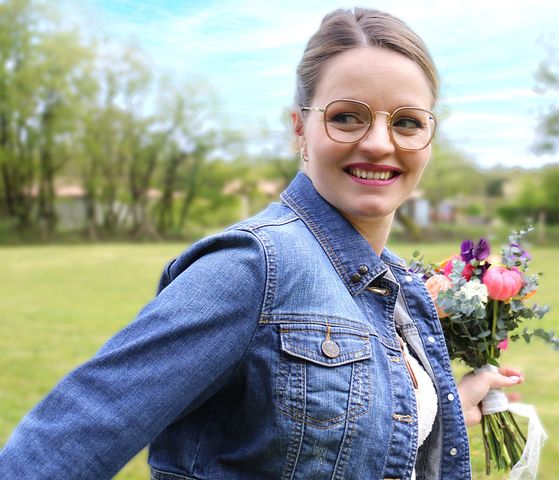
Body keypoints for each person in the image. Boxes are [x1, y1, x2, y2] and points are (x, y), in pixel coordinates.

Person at [0, 7, 523, 480]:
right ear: (300, 128)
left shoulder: (393, 284)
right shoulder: (253, 268)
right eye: (346, 117)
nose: (379, 143)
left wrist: (442, 401)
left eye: (407, 122)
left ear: (428, 139)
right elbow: (61, 446)